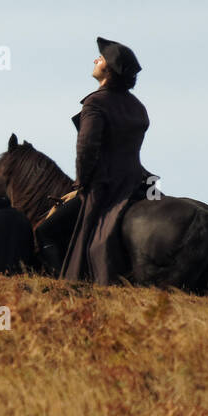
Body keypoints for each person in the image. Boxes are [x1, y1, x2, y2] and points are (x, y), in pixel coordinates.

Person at [59, 37, 151, 285]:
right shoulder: (138, 107)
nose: (95, 60)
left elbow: (87, 148)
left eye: (100, 58)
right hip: (139, 180)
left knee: (68, 233)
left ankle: (76, 281)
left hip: (107, 183)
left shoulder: (95, 103)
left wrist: (81, 183)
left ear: (108, 68)